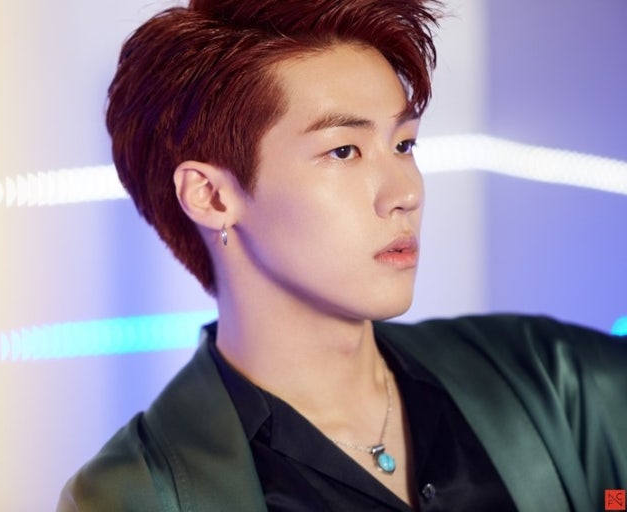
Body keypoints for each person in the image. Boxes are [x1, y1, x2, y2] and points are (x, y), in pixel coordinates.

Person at [57, 0, 627, 510]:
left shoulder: (554, 378)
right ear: (211, 196)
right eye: (344, 151)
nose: (405, 192)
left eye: (403, 144)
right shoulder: (135, 495)